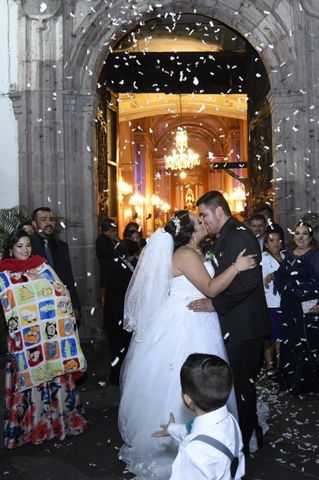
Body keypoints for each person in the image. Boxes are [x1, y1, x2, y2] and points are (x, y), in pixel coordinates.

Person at [118, 211, 256, 479]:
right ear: (190, 230)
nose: (204, 222)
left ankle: (204, 432)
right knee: (185, 379)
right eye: (199, 220)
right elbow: (211, 288)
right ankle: (184, 442)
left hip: (200, 320)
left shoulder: (196, 251)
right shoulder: (185, 255)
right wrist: (236, 268)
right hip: (186, 325)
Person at [0, 229, 88, 449]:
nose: (25, 250)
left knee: (54, 374)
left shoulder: (43, 267)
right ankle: (32, 427)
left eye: (27, 245)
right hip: (24, 340)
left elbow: (61, 291)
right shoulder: (4, 272)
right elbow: (1, 297)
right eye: (19, 246)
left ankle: (60, 423)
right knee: (29, 375)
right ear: (10, 249)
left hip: (51, 336)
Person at [192, 191, 269, 452]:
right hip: (235, 323)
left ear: (219, 211)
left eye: (204, 214)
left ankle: (245, 444)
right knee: (241, 386)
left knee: (242, 387)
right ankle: (252, 432)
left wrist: (216, 303)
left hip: (245, 325)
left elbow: (249, 281)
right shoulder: (226, 235)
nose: (203, 221)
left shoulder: (238, 235)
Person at [153, 353, 245, 480]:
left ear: (187, 399)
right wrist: (171, 429)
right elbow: (199, 433)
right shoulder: (231, 421)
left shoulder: (192, 453)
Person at [274, 221, 319, 394]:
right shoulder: (288, 255)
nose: (300, 237)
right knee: (292, 341)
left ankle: (314, 383)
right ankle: (292, 382)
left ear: (310, 237)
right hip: (289, 307)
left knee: (311, 342)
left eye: (304, 233)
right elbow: (281, 277)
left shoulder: (316, 256)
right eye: (297, 233)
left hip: (309, 306)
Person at [30, 207, 81, 321]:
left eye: (51, 219)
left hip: (60, 304)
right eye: (44, 219)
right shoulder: (26, 247)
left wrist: (75, 304)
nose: (49, 223)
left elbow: (68, 277)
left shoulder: (62, 246)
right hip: (36, 305)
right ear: (34, 224)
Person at [103, 239, 140, 385]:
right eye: (134, 254)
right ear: (128, 254)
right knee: (117, 347)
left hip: (119, 312)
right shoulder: (117, 267)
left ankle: (119, 374)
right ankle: (116, 377)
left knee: (121, 346)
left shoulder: (123, 264)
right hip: (116, 313)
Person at [260, 225, 284, 374]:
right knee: (271, 336)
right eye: (271, 240)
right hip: (270, 303)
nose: (275, 243)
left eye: (278, 240)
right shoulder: (263, 258)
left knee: (281, 337)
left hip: (285, 302)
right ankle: (270, 364)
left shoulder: (286, 256)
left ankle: (281, 364)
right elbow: (261, 280)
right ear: (266, 244)